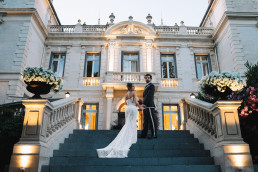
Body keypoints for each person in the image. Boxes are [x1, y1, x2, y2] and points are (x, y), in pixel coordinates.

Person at [97, 83, 143, 158]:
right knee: (132, 123)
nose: (134, 87)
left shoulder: (126, 94)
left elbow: (126, 102)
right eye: (133, 86)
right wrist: (140, 107)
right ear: (130, 87)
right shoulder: (134, 93)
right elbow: (135, 102)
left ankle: (127, 137)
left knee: (128, 123)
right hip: (133, 108)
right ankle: (131, 138)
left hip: (127, 108)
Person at [140, 74, 157, 139]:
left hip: (149, 105)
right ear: (145, 79)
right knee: (146, 120)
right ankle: (143, 134)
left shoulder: (151, 86)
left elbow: (149, 96)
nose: (147, 79)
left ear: (151, 79)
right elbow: (145, 96)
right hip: (145, 106)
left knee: (152, 120)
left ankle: (154, 134)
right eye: (146, 78)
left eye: (148, 78)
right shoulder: (146, 86)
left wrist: (144, 103)